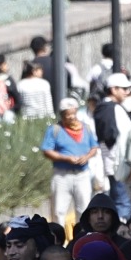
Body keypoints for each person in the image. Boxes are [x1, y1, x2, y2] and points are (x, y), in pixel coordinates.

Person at [42, 97, 99, 231]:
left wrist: (86, 157)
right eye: (68, 115)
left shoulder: (86, 128)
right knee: (59, 211)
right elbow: (47, 150)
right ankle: (58, 237)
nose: (72, 117)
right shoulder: (55, 130)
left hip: (82, 174)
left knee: (84, 209)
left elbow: (94, 147)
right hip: (62, 175)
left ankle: (83, 236)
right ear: (62, 115)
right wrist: (65, 158)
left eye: (73, 113)